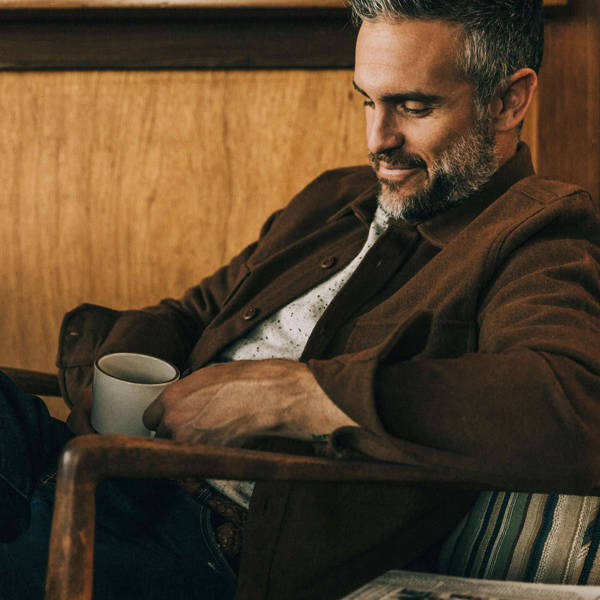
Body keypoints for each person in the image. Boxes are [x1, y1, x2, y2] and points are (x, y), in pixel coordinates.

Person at [1, 0, 599, 598]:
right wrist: (116, 388)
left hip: (203, 539)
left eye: (414, 107)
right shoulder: (334, 196)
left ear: (508, 101)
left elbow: (571, 404)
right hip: (99, 463)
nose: (378, 141)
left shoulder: (539, 234)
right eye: (368, 101)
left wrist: (297, 396)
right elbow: (190, 314)